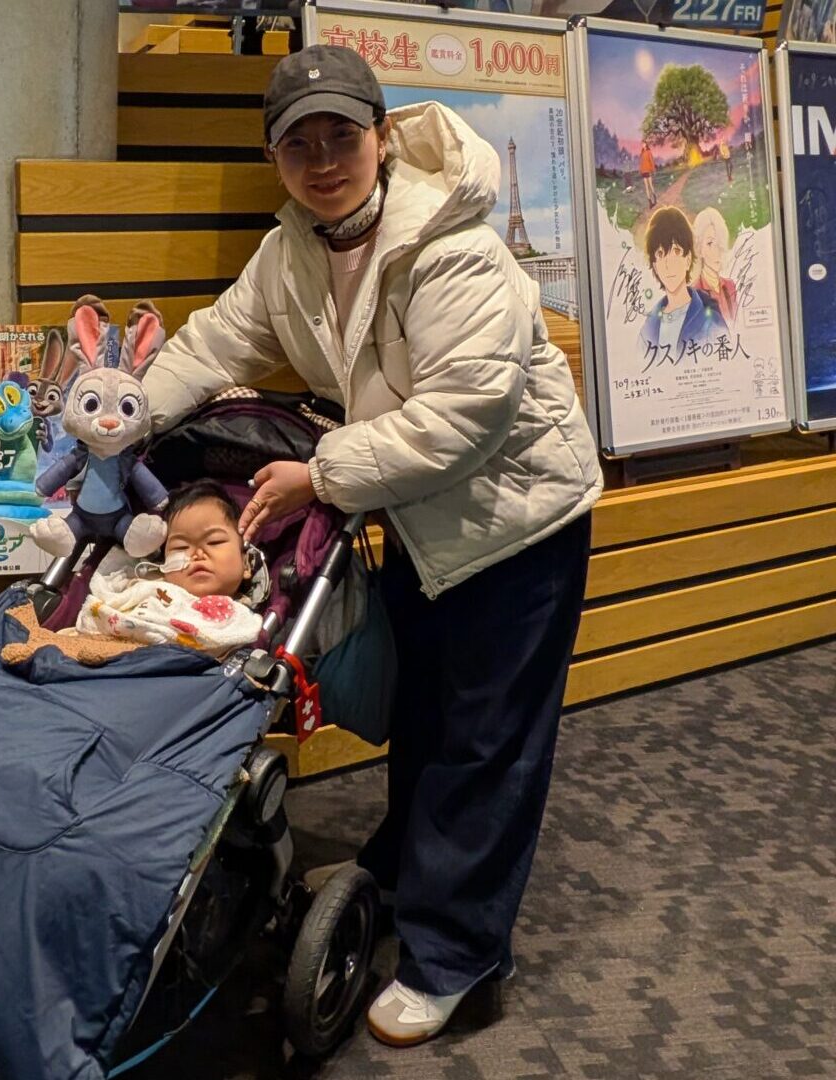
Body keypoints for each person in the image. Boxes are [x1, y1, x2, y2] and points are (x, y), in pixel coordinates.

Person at [141, 44, 602, 1046]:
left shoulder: (451, 245)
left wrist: (320, 474)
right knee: (426, 713)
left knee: (487, 740)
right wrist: (125, 414)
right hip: (420, 521)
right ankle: (401, 871)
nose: (322, 161)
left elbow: (462, 418)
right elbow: (215, 343)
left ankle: (455, 954)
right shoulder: (291, 250)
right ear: (273, 157)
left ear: (382, 137)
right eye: (297, 144)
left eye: (341, 137)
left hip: (518, 522)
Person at [75, 481, 264, 654]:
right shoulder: (143, 587)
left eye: (214, 542)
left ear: (246, 564)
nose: (197, 554)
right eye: (181, 547)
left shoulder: (240, 621)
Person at [640, 205, 728, 365]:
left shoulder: (711, 321)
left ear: (688, 259)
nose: (668, 264)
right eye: (660, 254)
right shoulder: (648, 328)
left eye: (676, 251)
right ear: (654, 266)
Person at [692, 205, 738, 327]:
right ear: (699, 249)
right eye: (710, 243)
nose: (717, 250)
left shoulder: (730, 287)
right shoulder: (694, 294)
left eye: (719, 242)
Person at [640, 140, 657, 208]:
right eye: (642, 144)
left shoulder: (649, 152)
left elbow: (652, 161)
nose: (642, 145)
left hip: (648, 170)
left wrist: (653, 170)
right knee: (646, 187)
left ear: (646, 144)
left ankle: (655, 198)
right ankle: (650, 203)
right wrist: (641, 170)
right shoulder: (642, 153)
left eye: (643, 144)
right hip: (643, 171)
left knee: (650, 185)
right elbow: (641, 163)